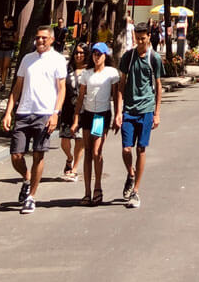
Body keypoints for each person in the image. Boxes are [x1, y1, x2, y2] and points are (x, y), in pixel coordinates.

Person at [2, 24, 67, 214]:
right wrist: (8, 111)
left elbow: (62, 88)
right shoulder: (27, 59)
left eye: (43, 38)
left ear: (52, 40)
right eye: (37, 38)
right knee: (16, 155)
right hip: (24, 111)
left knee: (38, 154)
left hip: (44, 113)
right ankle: (27, 177)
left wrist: (55, 112)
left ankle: (31, 196)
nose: (39, 41)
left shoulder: (57, 60)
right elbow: (17, 86)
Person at [117, 23, 162, 210]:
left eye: (143, 38)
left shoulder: (154, 58)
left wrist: (157, 113)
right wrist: (118, 111)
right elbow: (121, 84)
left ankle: (135, 190)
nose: (140, 41)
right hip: (129, 109)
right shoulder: (128, 57)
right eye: (138, 38)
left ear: (149, 37)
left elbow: (159, 86)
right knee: (127, 149)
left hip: (146, 109)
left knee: (140, 149)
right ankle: (131, 173)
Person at [72, 42, 120, 205]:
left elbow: (116, 95)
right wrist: (76, 118)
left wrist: (117, 115)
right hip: (88, 114)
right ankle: (87, 191)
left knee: (96, 152)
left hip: (101, 115)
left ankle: (98, 187)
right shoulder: (87, 73)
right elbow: (81, 97)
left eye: (99, 54)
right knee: (87, 152)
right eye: (94, 53)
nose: (96, 56)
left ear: (105, 55)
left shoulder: (111, 73)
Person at [58, 42, 87, 181]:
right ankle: (69, 158)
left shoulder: (89, 71)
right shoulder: (67, 69)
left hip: (83, 110)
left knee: (79, 139)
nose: (79, 55)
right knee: (64, 141)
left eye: (82, 53)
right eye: (77, 52)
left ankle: (74, 168)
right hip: (68, 109)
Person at [0, 14, 18, 92]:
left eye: (11, 23)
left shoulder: (14, 30)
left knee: (5, 66)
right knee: (1, 65)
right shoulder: (1, 29)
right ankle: (2, 75)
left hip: (9, 49)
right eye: (9, 22)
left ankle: (3, 84)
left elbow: (16, 40)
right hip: (1, 49)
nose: (10, 24)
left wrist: (13, 39)